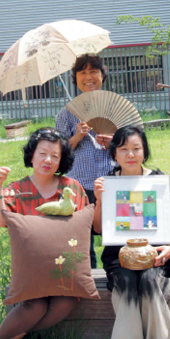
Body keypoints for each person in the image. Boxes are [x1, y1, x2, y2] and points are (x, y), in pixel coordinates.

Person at [0, 128, 90, 339]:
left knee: (65, 303)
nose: (48, 160)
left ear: (62, 160)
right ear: (31, 156)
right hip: (30, 266)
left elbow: (87, 226)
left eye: (55, 156)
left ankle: (17, 334)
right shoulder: (16, 189)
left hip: (64, 266)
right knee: (36, 305)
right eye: (42, 153)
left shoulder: (72, 188)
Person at [92, 125, 170, 339]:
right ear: (114, 154)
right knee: (127, 280)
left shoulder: (157, 180)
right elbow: (99, 229)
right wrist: (99, 201)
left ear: (145, 152)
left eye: (136, 148)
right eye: (123, 149)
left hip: (157, 251)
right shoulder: (108, 184)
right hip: (119, 255)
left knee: (151, 278)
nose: (130, 154)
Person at [55, 54, 115, 268]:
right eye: (82, 73)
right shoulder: (67, 113)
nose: (88, 77)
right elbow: (58, 152)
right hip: (79, 185)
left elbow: (135, 146)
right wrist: (77, 136)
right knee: (81, 243)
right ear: (75, 79)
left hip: (112, 182)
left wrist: (115, 141)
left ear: (102, 75)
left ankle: (116, 275)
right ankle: (87, 283)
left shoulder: (114, 106)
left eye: (93, 72)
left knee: (116, 236)